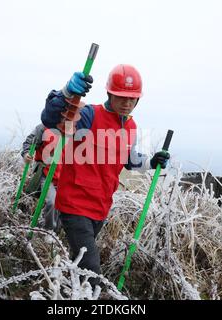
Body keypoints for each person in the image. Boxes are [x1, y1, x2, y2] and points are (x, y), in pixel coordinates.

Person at [41, 64, 170, 287]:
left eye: (132, 99)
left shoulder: (130, 126)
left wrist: (151, 162)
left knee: (80, 264)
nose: (127, 103)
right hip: (74, 206)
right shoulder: (89, 115)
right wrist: (66, 93)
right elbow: (51, 119)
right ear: (110, 93)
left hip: (100, 208)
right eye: (122, 97)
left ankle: (61, 288)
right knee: (92, 274)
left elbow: (128, 158)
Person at [21, 123, 62, 232]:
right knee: (52, 202)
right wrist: (26, 154)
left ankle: (54, 234)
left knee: (63, 206)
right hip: (45, 173)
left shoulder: (72, 129)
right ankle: (47, 233)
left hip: (63, 176)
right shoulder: (44, 127)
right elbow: (29, 142)